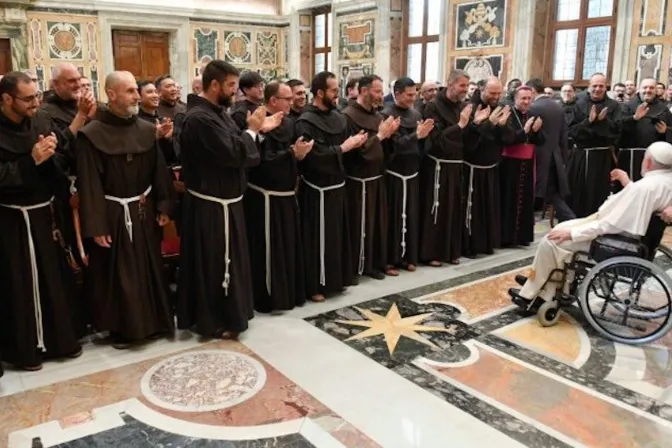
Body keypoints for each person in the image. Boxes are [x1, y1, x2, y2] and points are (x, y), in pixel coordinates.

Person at [176, 60, 282, 339]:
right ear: (214, 85)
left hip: (227, 203)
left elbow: (243, 154)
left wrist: (257, 131)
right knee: (214, 264)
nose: (236, 92)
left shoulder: (217, 113)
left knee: (230, 262)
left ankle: (232, 314)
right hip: (210, 207)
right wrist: (253, 130)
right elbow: (234, 153)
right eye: (232, 85)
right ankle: (214, 320)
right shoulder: (199, 119)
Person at [510, 141, 672, 311]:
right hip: (627, 236)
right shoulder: (665, 181)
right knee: (561, 228)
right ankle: (546, 283)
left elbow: (609, 225)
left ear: (647, 162)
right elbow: (641, 203)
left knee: (552, 240)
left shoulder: (644, 188)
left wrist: (573, 234)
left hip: (614, 240)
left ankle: (538, 295)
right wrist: (627, 182)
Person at [76, 71, 175, 349]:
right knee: (117, 274)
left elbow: (159, 171)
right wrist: (97, 226)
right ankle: (123, 329)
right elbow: (89, 184)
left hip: (143, 210)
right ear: (112, 94)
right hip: (112, 215)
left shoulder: (146, 129)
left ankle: (153, 321)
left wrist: (164, 204)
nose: (136, 96)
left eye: (136, 90)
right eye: (130, 91)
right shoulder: (91, 134)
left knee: (148, 267)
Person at [0, 71, 83, 371]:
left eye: (36, 96)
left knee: (53, 278)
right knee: (18, 282)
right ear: (6, 99)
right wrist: (30, 162)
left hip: (43, 214)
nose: (36, 103)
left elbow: (57, 158)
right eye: (28, 98)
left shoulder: (39, 120)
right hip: (10, 220)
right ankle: (24, 350)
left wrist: (64, 187)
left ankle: (61, 341)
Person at [295, 71, 367, 302]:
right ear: (319, 93)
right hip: (317, 191)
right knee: (317, 239)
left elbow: (347, 148)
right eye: (334, 90)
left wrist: (357, 144)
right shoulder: (305, 122)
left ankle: (337, 279)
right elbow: (313, 158)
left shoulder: (339, 118)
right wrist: (344, 148)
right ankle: (316, 284)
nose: (339, 94)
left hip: (338, 188)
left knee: (337, 236)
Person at [245, 81, 312, 313]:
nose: (293, 103)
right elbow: (258, 161)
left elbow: (294, 154)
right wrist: (291, 153)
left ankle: (290, 294)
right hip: (264, 199)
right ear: (273, 101)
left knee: (289, 248)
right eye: (288, 99)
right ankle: (269, 297)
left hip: (286, 195)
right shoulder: (256, 121)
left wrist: (299, 156)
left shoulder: (291, 123)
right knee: (268, 249)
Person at [342, 75, 400, 279]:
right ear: (363, 91)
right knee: (359, 225)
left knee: (377, 224)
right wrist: (381, 136)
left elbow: (385, 151)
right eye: (376, 91)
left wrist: (390, 136)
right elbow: (353, 152)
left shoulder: (378, 117)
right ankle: (356, 266)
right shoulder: (348, 116)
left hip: (377, 180)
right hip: (357, 183)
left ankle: (374, 263)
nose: (380, 96)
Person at [420, 70, 472, 266]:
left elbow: (465, 139)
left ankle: (450, 250)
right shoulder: (432, 107)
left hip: (456, 166)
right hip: (437, 168)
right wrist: (459, 126)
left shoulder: (463, 106)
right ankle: (433, 253)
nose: (465, 90)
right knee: (437, 209)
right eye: (462, 85)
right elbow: (436, 140)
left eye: (467, 86)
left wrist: (475, 125)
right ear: (450, 85)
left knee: (453, 209)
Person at [382, 77, 434, 272]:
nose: (414, 98)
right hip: (394, 176)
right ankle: (389, 260)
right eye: (409, 95)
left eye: (415, 94)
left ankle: (408, 257)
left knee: (410, 216)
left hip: (412, 174)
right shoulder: (387, 114)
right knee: (392, 219)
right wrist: (416, 136)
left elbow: (423, 145)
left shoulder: (415, 114)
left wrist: (421, 139)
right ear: (397, 94)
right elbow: (392, 146)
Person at [462, 76, 508, 256]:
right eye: (492, 93)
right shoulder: (470, 108)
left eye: (498, 93)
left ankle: (486, 244)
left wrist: (500, 127)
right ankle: (470, 245)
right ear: (481, 91)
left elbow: (506, 138)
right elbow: (470, 141)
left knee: (488, 209)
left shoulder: (501, 108)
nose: (496, 96)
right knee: (473, 209)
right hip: (472, 168)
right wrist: (489, 125)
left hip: (491, 168)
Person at [566, 73, 621, 218]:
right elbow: (571, 131)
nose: (597, 89)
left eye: (601, 86)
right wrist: (588, 122)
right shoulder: (579, 105)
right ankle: (576, 220)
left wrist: (604, 122)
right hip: (581, 156)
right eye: (594, 85)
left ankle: (598, 221)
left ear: (606, 87)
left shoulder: (614, 106)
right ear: (589, 87)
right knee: (578, 191)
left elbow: (617, 131)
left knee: (598, 191)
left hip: (601, 157)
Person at [499, 86, 544, 247]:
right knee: (509, 200)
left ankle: (522, 237)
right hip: (509, 165)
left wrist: (537, 132)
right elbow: (507, 138)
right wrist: (524, 132)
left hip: (527, 162)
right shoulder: (508, 114)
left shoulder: (532, 115)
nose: (526, 102)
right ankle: (506, 237)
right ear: (515, 99)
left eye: (528, 98)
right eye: (523, 98)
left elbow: (541, 141)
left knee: (525, 200)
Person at [527, 78, 575, 223]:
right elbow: (563, 136)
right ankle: (570, 219)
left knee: (542, 192)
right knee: (552, 193)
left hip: (538, 158)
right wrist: (564, 159)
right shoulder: (557, 107)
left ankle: (570, 220)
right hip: (555, 157)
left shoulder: (533, 108)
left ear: (533, 91)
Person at [618, 78, 672, 182]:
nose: (648, 90)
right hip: (631, 157)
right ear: (639, 89)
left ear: (656, 90)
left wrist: (665, 132)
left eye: (651, 88)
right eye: (645, 87)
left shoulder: (664, 109)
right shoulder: (627, 106)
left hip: (656, 159)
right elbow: (617, 128)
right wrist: (634, 119)